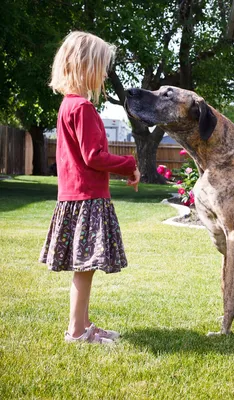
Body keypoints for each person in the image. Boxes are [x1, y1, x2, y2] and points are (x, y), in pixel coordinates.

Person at [39, 31, 140, 344]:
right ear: (84, 66)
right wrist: (129, 165)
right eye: (101, 66)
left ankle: (83, 323)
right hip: (87, 200)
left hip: (76, 198)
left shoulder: (68, 105)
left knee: (84, 268)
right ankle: (77, 331)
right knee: (85, 268)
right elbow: (93, 156)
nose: (106, 74)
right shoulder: (81, 108)